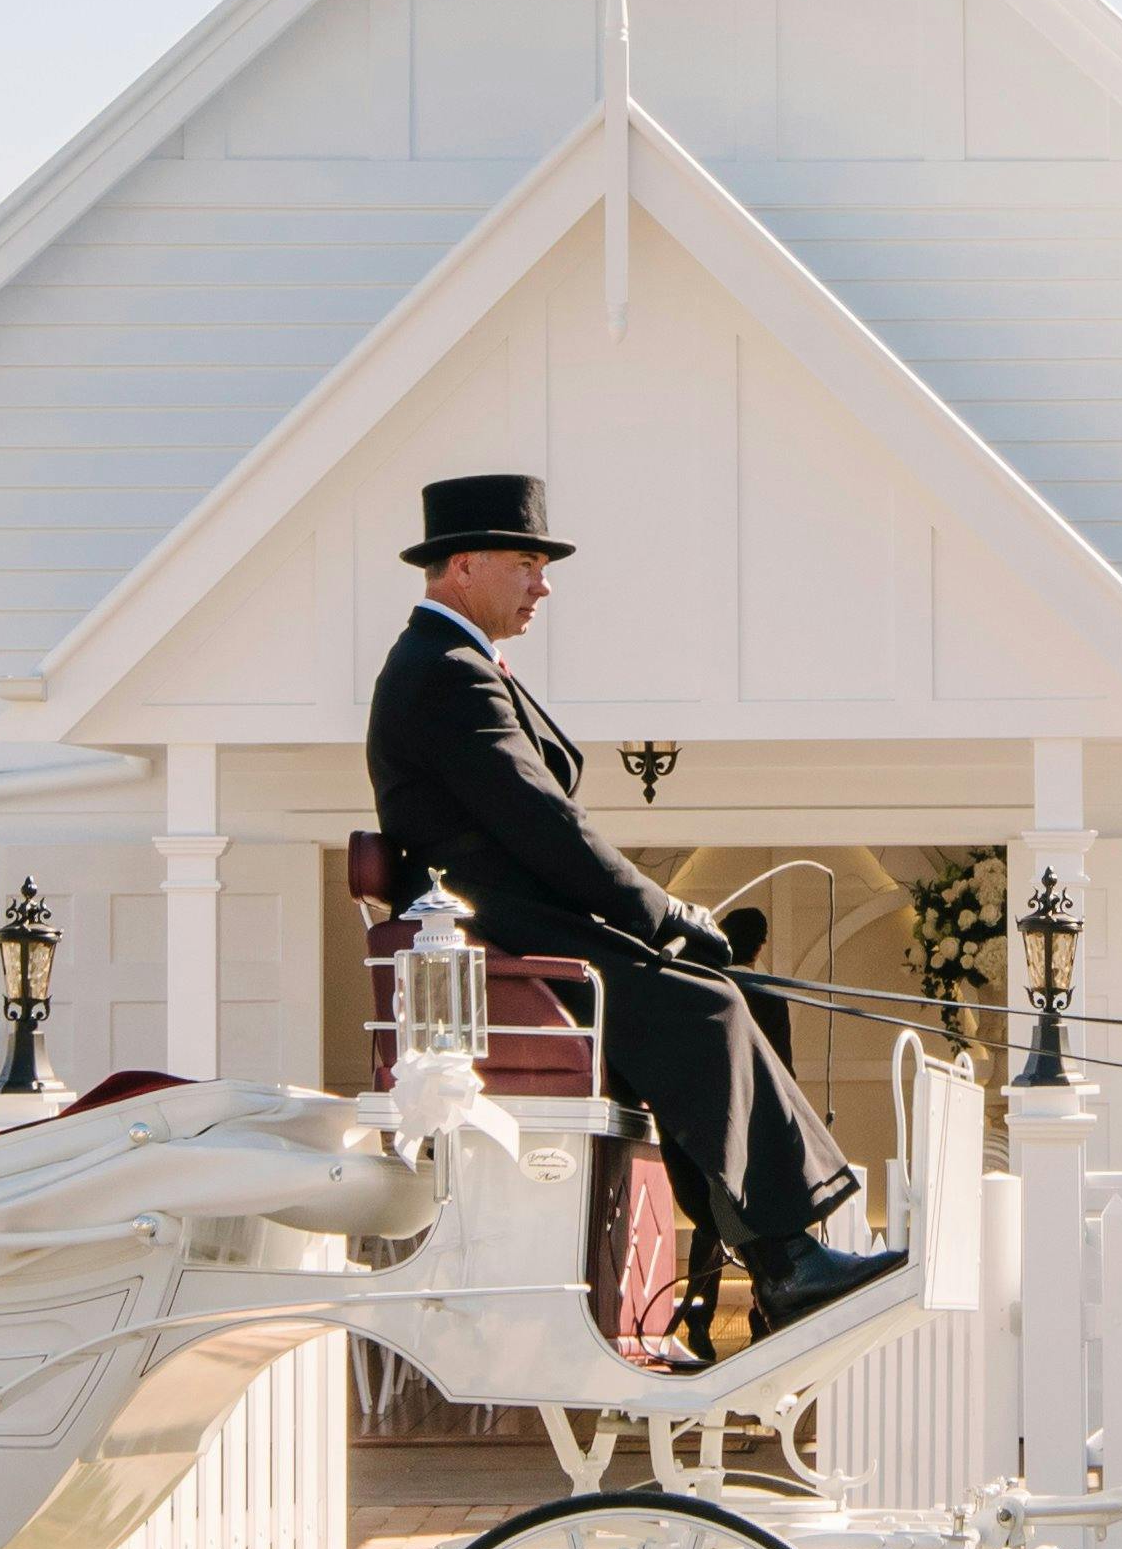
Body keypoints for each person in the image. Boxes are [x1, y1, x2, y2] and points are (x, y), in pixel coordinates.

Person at [364, 472, 905, 1362]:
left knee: (724, 993)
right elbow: (546, 828)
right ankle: (788, 1259)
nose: (544, 583)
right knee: (708, 1005)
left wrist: (666, 925)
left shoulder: (454, 664)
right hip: (509, 939)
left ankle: (777, 1257)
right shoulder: (443, 673)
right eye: (527, 562)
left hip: (525, 924)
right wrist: (664, 914)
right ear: (462, 565)